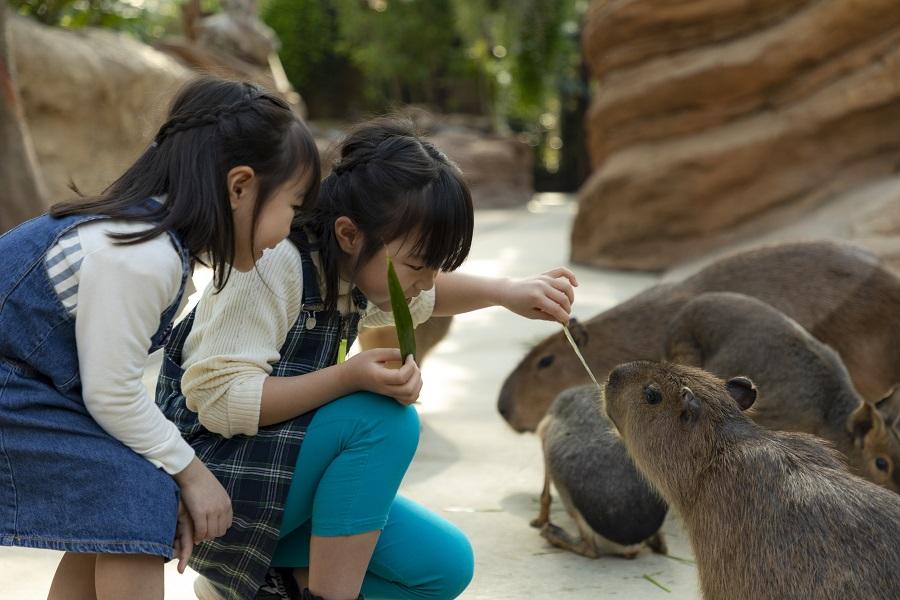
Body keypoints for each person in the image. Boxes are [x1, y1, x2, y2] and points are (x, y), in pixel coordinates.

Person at [156, 120, 577, 600]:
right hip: (204, 490)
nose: (427, 279)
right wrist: (350, 376)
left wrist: (506, 292)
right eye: (418, 264)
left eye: (436, 266)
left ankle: (252, 586)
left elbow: (428, 294)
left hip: (273, 483)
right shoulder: (276, 264)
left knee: (442, 566)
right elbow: (222, 403)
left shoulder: (351, 268)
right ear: (349, 233)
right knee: (381, 420)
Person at [0, 76, 320, 600]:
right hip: (11, 385)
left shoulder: (150, 241)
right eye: (293, 206)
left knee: (121, 487)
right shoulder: (142, 255)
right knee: (139, 489)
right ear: (240, 188)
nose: (290, 229)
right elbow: (113, 395)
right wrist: (193, 474)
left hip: (24, 387)